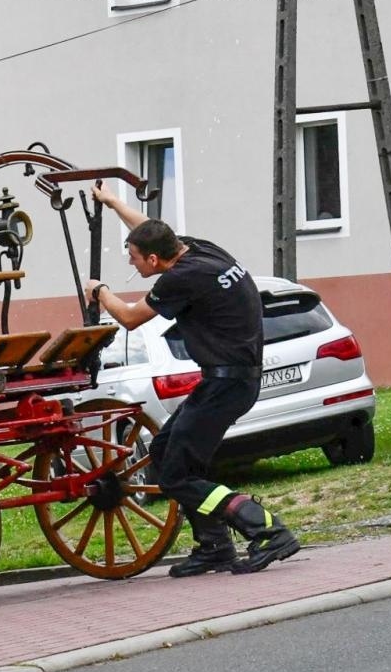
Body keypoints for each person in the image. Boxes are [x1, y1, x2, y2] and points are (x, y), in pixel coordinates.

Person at [86, 183, 299, 577]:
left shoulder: (178, 280)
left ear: (154, 259)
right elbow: (151, 226)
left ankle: (268, 529)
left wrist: (100, 292)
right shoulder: (200, 250)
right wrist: (114, 202)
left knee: (175, 476)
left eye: (134, 259)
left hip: (226, 384)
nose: (133, 266)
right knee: (167, 453)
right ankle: (214, 547)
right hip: (229, 380)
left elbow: (131, 317)